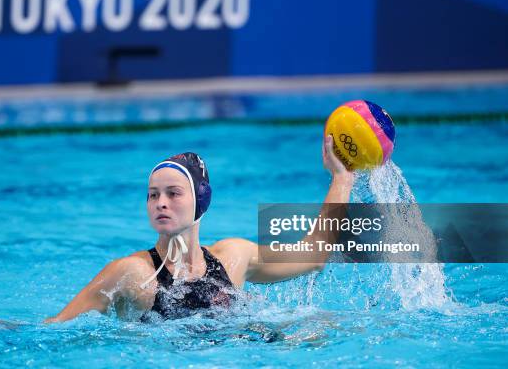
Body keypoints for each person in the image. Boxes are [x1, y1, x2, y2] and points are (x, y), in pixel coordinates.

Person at [44, 135, 354, 322]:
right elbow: (56, 327)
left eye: (173, 193)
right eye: (153, 195)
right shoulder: (132, 273)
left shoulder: (234, 257)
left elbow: (313, 257)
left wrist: (342, 179)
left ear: (201, 199)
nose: (160, 203)